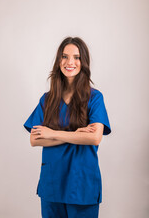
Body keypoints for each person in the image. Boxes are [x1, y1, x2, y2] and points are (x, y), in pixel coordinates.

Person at [23, 36, 111, 218]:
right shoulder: (47, 100)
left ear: (83, 62)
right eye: (65, 56)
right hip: (52, 182)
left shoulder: (94, 98)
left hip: (81, 184)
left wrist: (53, 133)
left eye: (77, 57)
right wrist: (76, 135)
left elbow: (94, 137)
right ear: (58, 60)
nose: (70, 62)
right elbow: (34, 139)